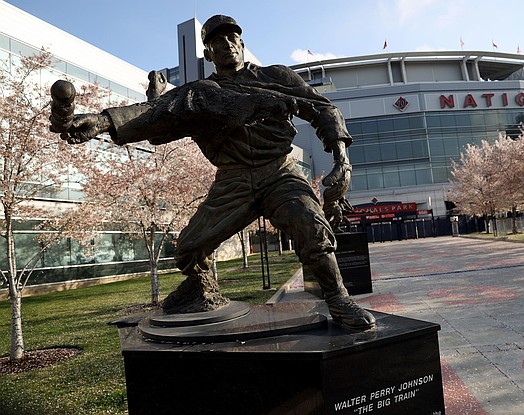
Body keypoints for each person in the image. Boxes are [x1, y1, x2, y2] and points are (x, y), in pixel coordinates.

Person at [57, 15, 375, 330]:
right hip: (233, 181)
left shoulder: (276, 76)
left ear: (242, 43)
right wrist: (103, 122)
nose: (225, 45)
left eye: (230, 38)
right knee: (188, 248)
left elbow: (322, 108)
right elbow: (160, 117)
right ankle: (201, 288)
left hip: (279, 172)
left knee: (310, 225)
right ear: (208, 53)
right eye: (215, 42)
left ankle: (338, 297)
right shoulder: (198, 94)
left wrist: (341, 159)